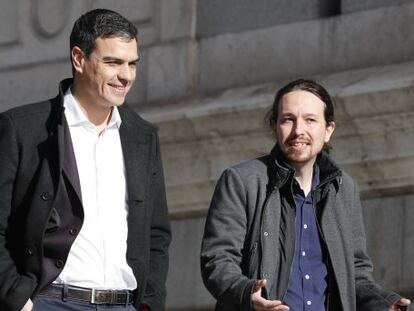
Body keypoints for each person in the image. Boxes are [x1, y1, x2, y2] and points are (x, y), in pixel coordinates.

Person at [0, 8, 171, 311]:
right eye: (113, 62)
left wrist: (147, 304)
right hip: (50, 301)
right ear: (79, 59)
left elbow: (155, 233)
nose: (126, 75)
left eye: (132, 64)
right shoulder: (22, 128)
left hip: (125, 304)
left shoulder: (143, 136)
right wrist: (18, 300)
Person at [200, 79, 410, 311]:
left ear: (328, 130)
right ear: (274, 126)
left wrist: (381, 302)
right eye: (288, 119)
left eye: (310, 120)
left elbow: (354, 271)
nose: (298, 131)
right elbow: (217, 260)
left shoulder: (343, 188)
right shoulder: (242, 180)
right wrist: (247, 293)